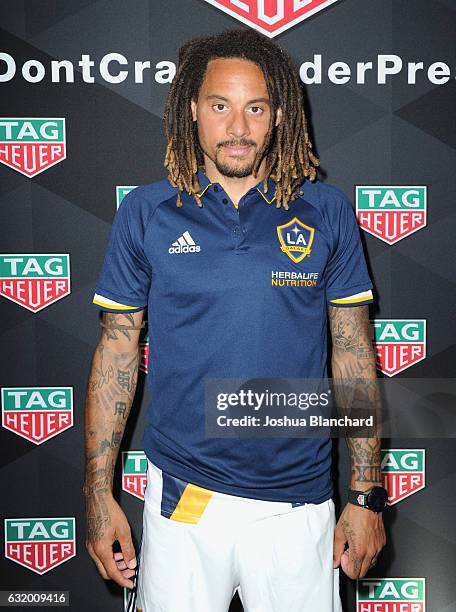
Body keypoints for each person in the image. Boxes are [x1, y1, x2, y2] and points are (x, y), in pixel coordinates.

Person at [83, 27, 386, 612]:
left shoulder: (326, 210)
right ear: (193, 110)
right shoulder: (147, 211)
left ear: (278, 116)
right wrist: (99, 491)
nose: (239, 128)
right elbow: (117, 350)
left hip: (298, 506)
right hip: (183, 498)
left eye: (256, 108)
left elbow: (352, 353)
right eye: (221, 106)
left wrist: (366, 495)